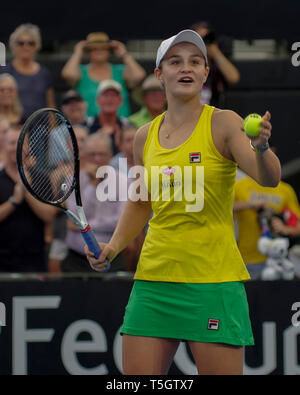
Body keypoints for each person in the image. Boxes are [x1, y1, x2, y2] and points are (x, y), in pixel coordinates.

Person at [85, 29, 281, 375]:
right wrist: (113, 247)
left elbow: (268, 178)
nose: (185, 68)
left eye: (195, 61)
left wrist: (262, 147)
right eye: (174, 61)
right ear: (160, 75)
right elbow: (141, 199)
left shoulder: (224, 123)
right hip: (154, 280)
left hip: (212, 281)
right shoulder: (144, 136)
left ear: (206, 72)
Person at [61, 133, 127, 272]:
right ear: (84, 156)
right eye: (92, 154)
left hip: (112, 256)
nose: (97, 159)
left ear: (110, 155)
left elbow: (120, 221)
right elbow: (75, 215)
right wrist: (93, 184)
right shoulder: (73, 181)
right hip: (76, 259)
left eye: (102, 154)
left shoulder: (124, 181)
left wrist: (87, 225)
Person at [0, 125, 56, 272]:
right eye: (12, 143)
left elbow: (49, 216)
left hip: (34, 260)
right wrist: (14, 201)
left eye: (21, 143)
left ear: (29, 147)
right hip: (2, 261)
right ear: (4, 146)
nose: (16, 148)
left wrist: (27, 191)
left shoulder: (42, 177)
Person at [61, 32, 146, 118]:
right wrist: (78, 52)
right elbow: (68, 75)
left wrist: (124, 54)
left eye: (103, 48)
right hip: (88, 127)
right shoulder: (80, 72)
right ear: (88, 52)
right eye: (94, 48)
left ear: (109, 51)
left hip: (120, 125)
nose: (99, 51)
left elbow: (139, 75)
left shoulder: (120, 71)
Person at [234, 170, 300, 280]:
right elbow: (223, 208)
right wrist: (250, 204)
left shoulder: (285, 189)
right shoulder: (240, 185)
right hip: (249, 260)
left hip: (280, 259)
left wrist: (284, 229)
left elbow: (297, 224)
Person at [48, 125, 89, 273]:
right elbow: (56, 204)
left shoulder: (97, 171)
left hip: (93, 230)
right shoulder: (58, 174)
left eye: (83, 139)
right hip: (64, 230)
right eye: (75, 140)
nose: (79, 144)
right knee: (55, 266)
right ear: (67, 144)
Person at [0, 23, 55, 120]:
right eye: (21, 43)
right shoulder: (4, 71)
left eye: (31, 43)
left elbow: (50, 106)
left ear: (37, 46)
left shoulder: (44, 73)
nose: (26, 47)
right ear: (13, 46)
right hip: (12, 128)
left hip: (41, 130)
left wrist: (52, 132)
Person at [110, 124, 145, 271]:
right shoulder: (113, 164)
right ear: (121, 144)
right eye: (128, 140)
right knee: (131, 242)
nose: (132, 144)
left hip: (148, 210)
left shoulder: (150, 160)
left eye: (135, 139)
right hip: (121, 212)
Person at [190, 21, 240, 106]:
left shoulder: (216, 67)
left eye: (207, 38)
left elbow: (234, 77)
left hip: (213, 114)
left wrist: (215, 51)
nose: (204, 43)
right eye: (199, 39)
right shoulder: (187, 65)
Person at [87, 79, 131, 155]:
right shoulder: (86, 126)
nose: (109, 99)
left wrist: (122, 143)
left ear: (120, 100)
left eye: (114, 95)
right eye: (106, 95)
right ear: (98, 100)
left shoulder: (128, 126)